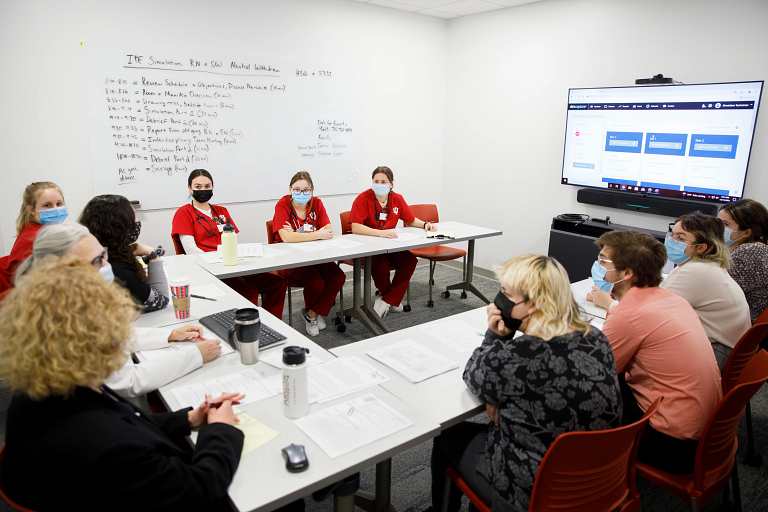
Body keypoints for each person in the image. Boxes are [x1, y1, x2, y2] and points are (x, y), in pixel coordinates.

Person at [0, 256, 245, 511]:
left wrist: (188, 419)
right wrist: (220, 430)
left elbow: (123, 419)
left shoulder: (43, 389)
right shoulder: (113, 448)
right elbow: (199, 492)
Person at [431, 255, 622, 512]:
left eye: (504, 293)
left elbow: (475, 375)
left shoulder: (518, 356)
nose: (498, 300)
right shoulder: (596, 336)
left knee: (447, 434)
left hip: (534, 491)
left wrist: (495, 338)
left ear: (532, 305)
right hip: (595, 477)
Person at [16, 223, 222, 408]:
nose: (107, 267)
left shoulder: (67, 304)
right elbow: (128, 382)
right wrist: (195, 354)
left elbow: (112, 337)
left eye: (103, 257)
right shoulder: (64, 320)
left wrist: (169, 335)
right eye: (97, 261)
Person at [596, 230, 722, 474]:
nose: (598, 266)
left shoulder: (628, 314)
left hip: (672, 444)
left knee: (576, 394)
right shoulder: (671, 298)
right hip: (709, 433)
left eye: (603, 260)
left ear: (627, 273)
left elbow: (596, 374)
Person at [172, 169, 288, 319]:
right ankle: (245, 331)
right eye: (198, 186)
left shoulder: (221, 211)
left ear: (212, 187)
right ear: (190, 188)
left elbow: (232, 240)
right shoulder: (184, 213)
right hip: (209, 270)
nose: (203, 190)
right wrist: (218, 259)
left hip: (231, 265)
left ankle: (270, 324)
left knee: (277, 283)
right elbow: (190, 249)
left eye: (207, 186)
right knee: (249, 292)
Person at [661, 213, 751, 370]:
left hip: (716, 352)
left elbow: (651, 313)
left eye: (680, 238)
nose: (672, 241)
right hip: (721, 345)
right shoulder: (700, 265)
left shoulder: (696, 271)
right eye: (672, 235)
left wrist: (609, 302)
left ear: (702, 247)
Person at [349, 166, 437, 318]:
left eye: (384, 181)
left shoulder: (397, 198)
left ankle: (387, 299)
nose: (379, 184)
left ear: (391, 184)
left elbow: (410, 219)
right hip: (367, 246)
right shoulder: (363, 198)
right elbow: (355, 227)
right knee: (380, 264)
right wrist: (380, 233)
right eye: (376, 181)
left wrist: (424, 224)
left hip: (388, 244)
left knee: (410, 261)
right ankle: (389, 298)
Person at [273, 171, 346, 336]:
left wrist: (298, 235)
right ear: (290, 189)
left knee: (338, 277)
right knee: (317, 282)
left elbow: (328, 231)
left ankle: (311, 313)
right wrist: (315, 234)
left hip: (315, 255)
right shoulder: (283, 205)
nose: (301, 193)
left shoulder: (317, 203)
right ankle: (313, 314)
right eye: (297, 189)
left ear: (312, 190)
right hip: (289, 259)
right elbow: (285, 237)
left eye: (306, 190)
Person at [80, 194, 170, 312]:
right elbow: (161, 300)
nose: (137, 221)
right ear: (119, 226)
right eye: (133, 217)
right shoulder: (117, 269)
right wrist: (153, 257)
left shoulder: (95, 254)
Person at [0, 181, 67, 293]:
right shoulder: (36, 237)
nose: (55, 209)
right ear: (31, 210)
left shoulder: (40, 228)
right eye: (47, 205)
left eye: (59, 204)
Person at [718, 198, 768, 323]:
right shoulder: (755, 249)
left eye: (726, 224)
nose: (717, 228)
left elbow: (717, 292)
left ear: (746, 232)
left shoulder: (750, 251)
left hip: (739, 327)